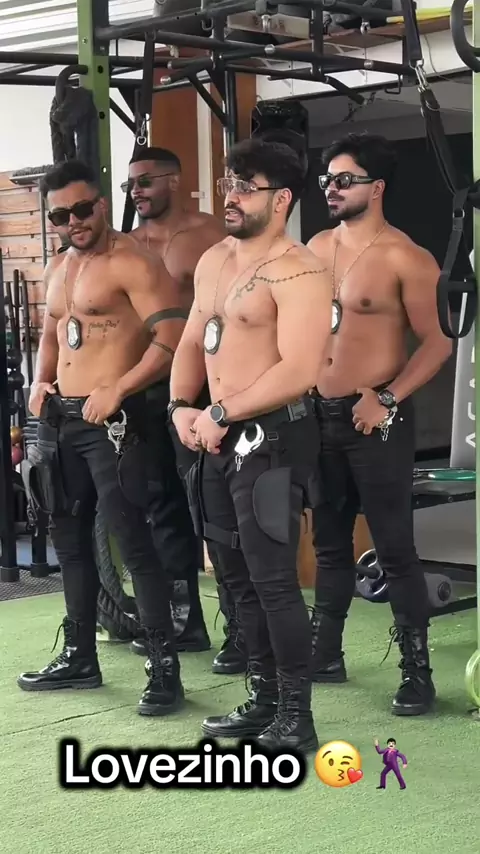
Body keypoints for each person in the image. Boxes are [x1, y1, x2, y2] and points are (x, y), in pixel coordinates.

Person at [169, 137, 332, 751]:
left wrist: (220, 411)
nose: (231, 197)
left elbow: (301, 369)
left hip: (273, 438)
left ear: (281, 199)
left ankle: (296, 716)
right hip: (215, 435)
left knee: (273, 581)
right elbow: (192, 338)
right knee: (234, 577)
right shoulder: (214, 259)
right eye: (228, 184)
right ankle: (263, 699)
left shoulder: (300, 269)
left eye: (245, 187)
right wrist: (180, 407)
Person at [16, 160, 187, 717]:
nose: (74, 221)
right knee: (69, 542)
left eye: (83, 209)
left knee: (133, 543)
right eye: (61, 215)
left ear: (103, 205)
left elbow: (173, 338)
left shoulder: (133, 263)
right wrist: (40, 380)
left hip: (116, 423)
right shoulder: (57, 267)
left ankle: (164, 669)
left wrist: (119, 387)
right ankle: (80, 657)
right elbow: (50, 332)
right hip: (61, 420)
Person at [307, 132, 452, 716]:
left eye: (345, 180)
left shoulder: (405, 256)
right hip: (318, 416)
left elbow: (438, 344)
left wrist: (388, 399)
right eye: (328, 180)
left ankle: (417, 673)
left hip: (376, 420)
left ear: (377, 187)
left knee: (394, 547)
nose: (332, 189)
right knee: (328, 543)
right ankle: (325, 654)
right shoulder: (315, 248)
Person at [126, 146, 247, 675]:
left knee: (213, 512)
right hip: (149, 393)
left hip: (201, 392)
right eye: (131, 183)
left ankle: (241, 629)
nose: (136, 191)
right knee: (162, 507)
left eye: (146, 180)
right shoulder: (128, 245)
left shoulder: (211, 237)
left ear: (174, 180)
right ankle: (184, 621)